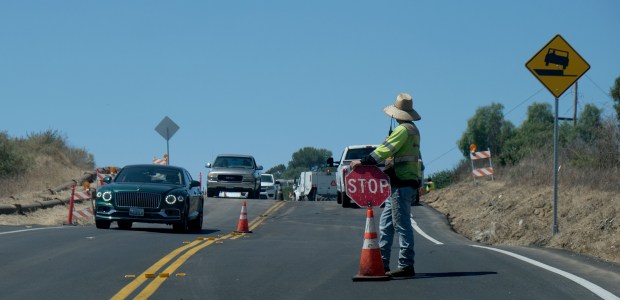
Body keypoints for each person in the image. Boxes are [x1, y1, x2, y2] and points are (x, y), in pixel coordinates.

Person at [350, 92, 422, 277]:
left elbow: (384, 150)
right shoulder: (413, 130)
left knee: (402, 224)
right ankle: (381, 262)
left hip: (400, 182)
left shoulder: (402, 130)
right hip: (402, 183)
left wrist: (364, 161)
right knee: (386, 224)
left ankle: (406, 265)